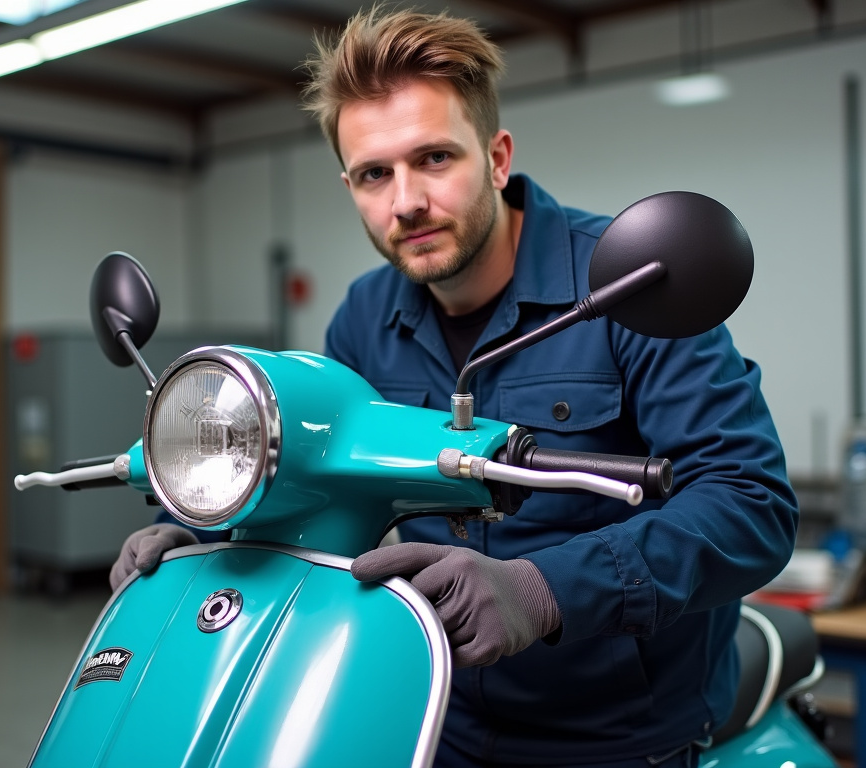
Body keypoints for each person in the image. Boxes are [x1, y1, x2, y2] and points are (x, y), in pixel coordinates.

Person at [111, 8, 797, 768]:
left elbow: (749, 504)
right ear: (350, 184)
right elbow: (317, 484)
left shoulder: (629, 285)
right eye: (375, 173)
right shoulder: (365, 319)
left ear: (497, 157)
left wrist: (543, 590)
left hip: (619, 738)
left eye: (434, 158)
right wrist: (209, 538)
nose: (405, 201)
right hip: (434, 715)